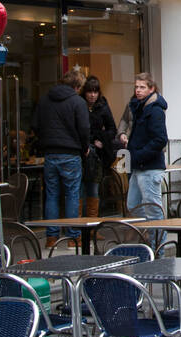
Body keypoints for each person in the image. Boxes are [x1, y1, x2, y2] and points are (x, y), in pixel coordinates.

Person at [32, 68, 90, 246]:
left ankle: (51, 237)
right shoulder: (77, 102)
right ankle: (73, 237)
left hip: (50, 153)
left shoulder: (44, 100)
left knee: (51, 195)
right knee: (72, 194)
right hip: (71, 153)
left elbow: (35, 125)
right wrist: (84, 146)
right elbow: (84, 128)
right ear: (77, 86)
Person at [120, 72, 168, 221]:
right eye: (136, 87)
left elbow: (160, 139)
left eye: (142, 87)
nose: (138, 90)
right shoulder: (137, 107)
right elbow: (125, 122)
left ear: (151, 88)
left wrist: (139, 154)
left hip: (149, 167)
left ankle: (157, 243)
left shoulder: (155, 109)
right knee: (133, 205)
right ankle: (149, 234)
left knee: (153, 209)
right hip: (137, 165)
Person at [81, 76, 118, 217]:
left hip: (96, 155)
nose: (92, 95)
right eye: (90, 92)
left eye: (95, 92)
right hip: (82, 151)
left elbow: (112, 129)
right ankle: (79, 228)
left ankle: (91, 226)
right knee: (80, 190)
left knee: (94, 189)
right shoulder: (79, 105)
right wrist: (92, 138)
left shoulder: (102, 106)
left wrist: (101, 139)